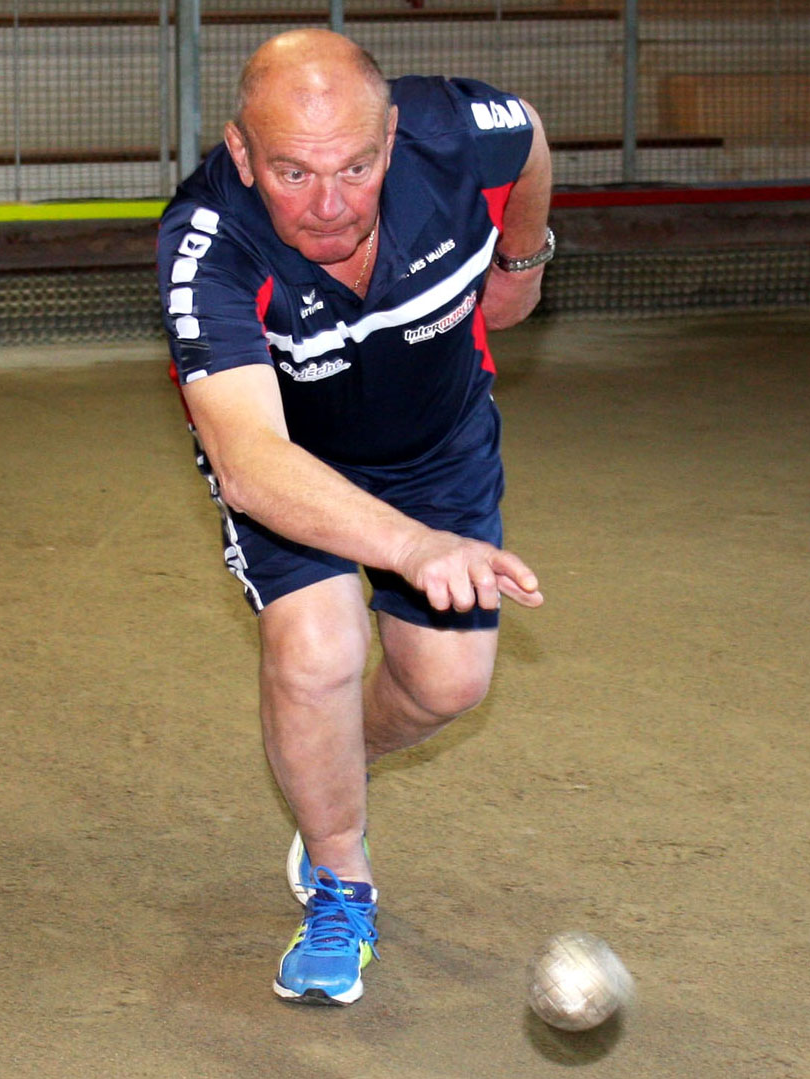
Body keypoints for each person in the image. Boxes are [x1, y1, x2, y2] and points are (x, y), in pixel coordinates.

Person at [157, 28, 553, 1007]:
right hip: (296, 460)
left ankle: (332, 758)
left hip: (438, 442)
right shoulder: (208, 240)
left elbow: (531, 136)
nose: (328, 204)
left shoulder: (453, 133)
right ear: (242, 152)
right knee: (316, 654)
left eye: (356, 168)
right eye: (292, 171)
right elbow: (251, 464)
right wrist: (411, 545)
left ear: (393, 138)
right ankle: (341, 881)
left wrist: (522, 257)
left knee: (449, 683)